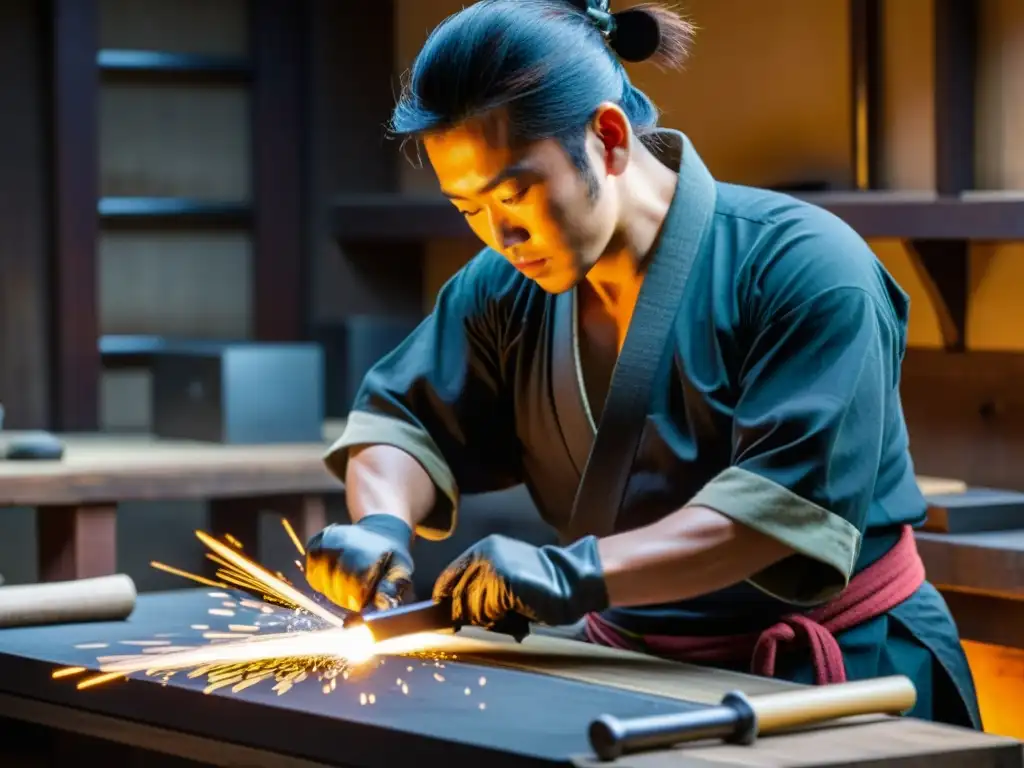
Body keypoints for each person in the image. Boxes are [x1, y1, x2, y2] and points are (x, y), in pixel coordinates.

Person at [303, 0, 981, 728]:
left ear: (609, 137)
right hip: (628, 670)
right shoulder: (503, 287)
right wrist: (380, 524)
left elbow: (772, 515)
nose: (500, 234)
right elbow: (403, 421)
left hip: (843, 682)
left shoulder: (807, 268)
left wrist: (574, 573)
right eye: (468, 208)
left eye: (514, 192)